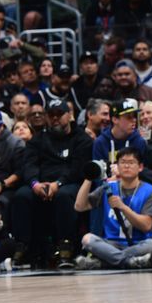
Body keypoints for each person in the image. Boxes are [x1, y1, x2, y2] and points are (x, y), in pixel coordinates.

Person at [12, 98, 93, 269]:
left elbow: (78, 169)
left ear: (69, 115)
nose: (55, 118)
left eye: (59, 114)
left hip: (70, 183)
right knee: (21, 195)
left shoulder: (81, 138)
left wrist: (58, 184)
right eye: (51, 115)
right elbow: (29, 165)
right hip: (40, 183)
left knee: (64, 196)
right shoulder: (38, 139)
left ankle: (66, 247)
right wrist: (35, 184)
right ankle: (23, 247)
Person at [74, 148, 152, 269]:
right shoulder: (108, 187)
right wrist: (89, 177)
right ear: (117, 166)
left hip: (139, 243)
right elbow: (79, 206)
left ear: (140, 167)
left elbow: (146, 226)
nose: (127, 166)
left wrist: (123, 207)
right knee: (87, 239)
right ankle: (130, 262)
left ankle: (104, 263)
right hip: (111, 244)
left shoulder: (150, 191)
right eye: (123, 162)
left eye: (131, 162)